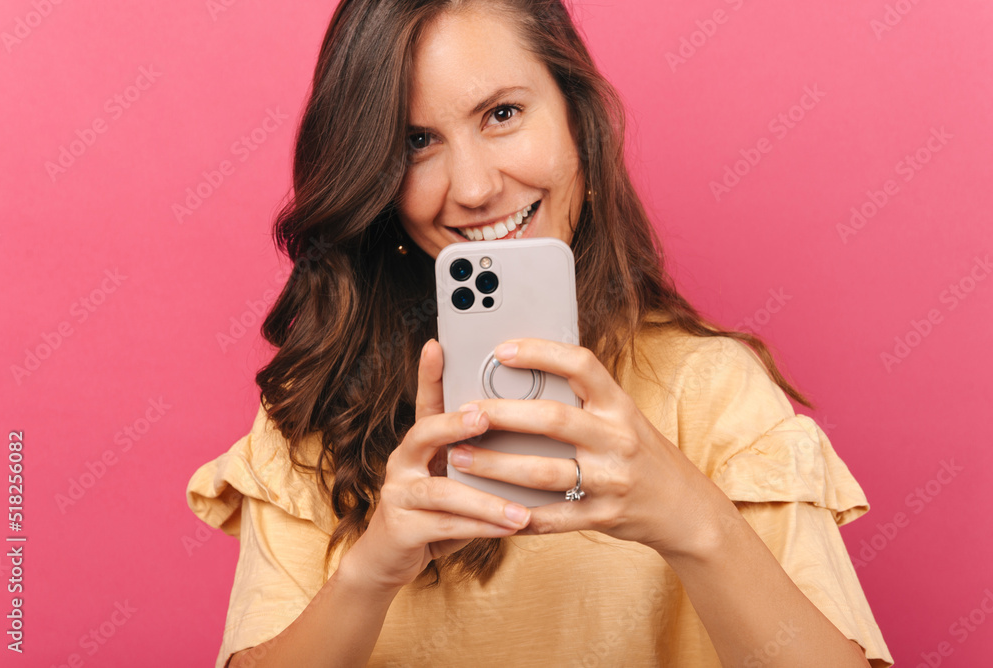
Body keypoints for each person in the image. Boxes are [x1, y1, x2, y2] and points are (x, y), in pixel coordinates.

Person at [186, 1, 894, 666]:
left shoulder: (714, 392)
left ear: (578, 125)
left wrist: (694, 523)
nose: (472, 186)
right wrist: (370, 572)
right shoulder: (316, 411)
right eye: (418, 141)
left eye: (501, 113)